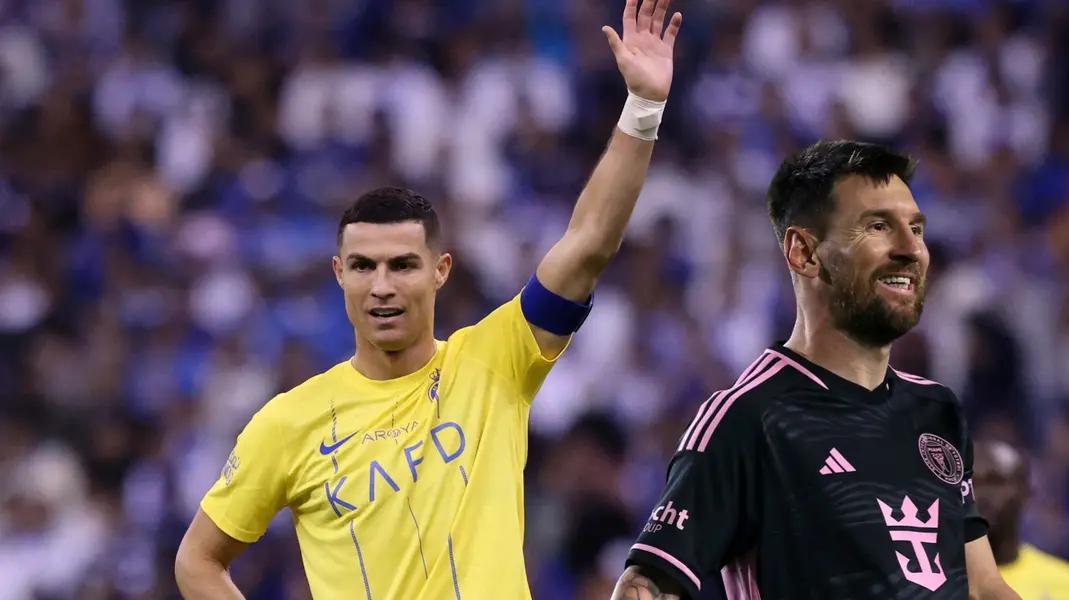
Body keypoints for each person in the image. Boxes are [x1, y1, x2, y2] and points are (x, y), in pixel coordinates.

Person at [174, 1, 684, 598]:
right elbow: (198, 560)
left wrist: (643, 108)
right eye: (363, 266)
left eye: (402, 266)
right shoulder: (289, 422)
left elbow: (589, 244)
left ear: (440, 271)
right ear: (338, 273)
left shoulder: (495, 363)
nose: (382, 286)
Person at [612, 140, 1021, 599]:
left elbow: (985, 587)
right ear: (804, 253)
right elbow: (647, 586)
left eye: (917, 229)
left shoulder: (937, 410)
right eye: (879, 227)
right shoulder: (750, 418)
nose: (912, 250)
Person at [973, 439, 1069, 599]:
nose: (979, 495)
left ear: (1026, 494)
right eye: (971, 482)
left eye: (994, 481)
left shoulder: (1066, 584)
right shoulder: (936, 579)